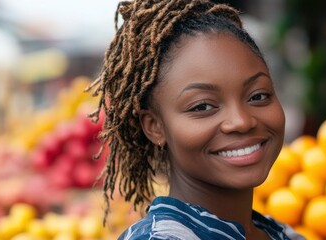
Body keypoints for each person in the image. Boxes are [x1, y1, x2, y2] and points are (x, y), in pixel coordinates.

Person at [86, 0, 302, 239]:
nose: (241, 121)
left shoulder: (282, 234)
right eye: (203, 106)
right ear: (155, 127)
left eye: (258, 96)